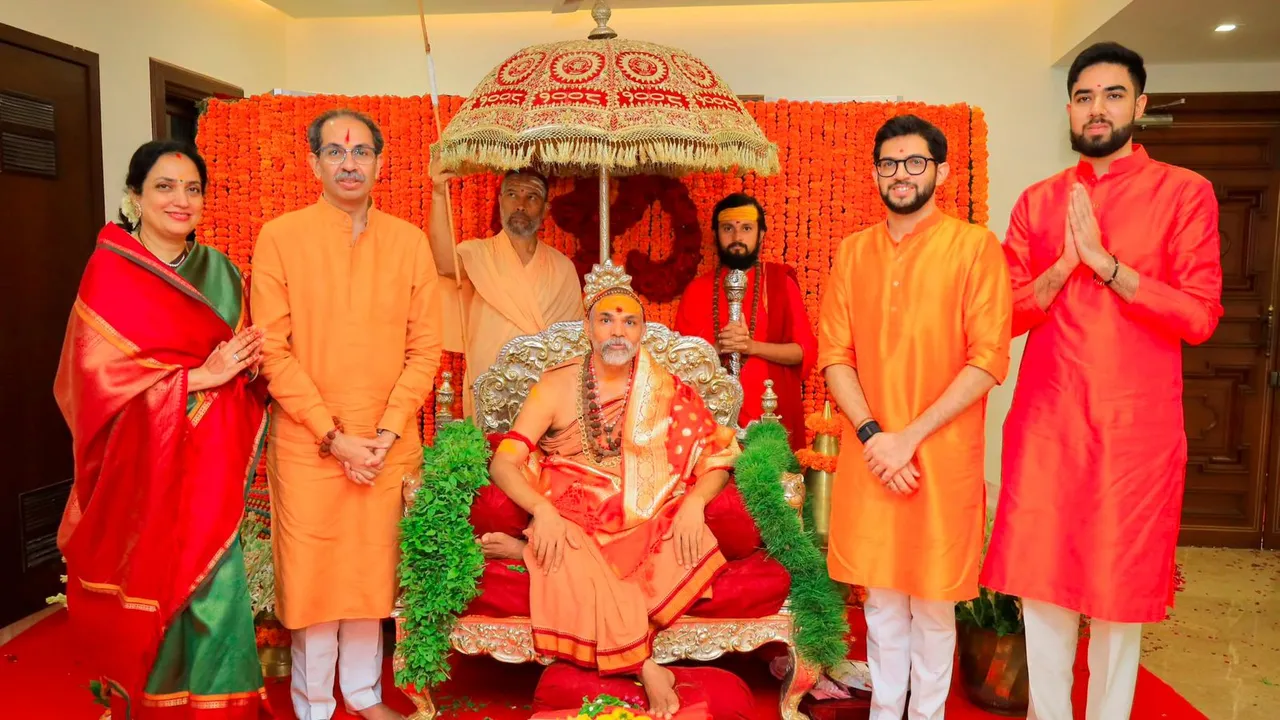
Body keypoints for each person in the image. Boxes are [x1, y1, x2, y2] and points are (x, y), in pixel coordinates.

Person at [983, 42, 1223, 720]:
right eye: (1085, 96)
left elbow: (1201, 315)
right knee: (1043, 584)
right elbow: (1002, 314)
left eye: (1113, 94)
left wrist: (1111, 268)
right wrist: (1061, 270)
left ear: (1140, 106)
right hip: (1048, 420)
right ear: (1069, 108)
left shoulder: (1184, 193)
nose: (1097, 108)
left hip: (1133, 430)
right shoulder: (1040, 201)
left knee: (1118, 596)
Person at [55, 140, 269, 718]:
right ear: (135, 197)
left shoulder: (221, 272)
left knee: (217, 586)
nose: (181, 199)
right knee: (148, 581)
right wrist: (197, 377)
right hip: (136, 462)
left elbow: (242, 372)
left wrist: (250, 367)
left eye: (192, 188)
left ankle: (221, 707)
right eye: (165, 187)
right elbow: (93, 381)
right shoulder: (110, 271)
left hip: (208, 461)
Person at [817, 115, 1012, 720]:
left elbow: (988, 360)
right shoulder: (854, 252)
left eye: (915, 162)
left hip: (939, 458)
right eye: (889, 164)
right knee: (879, 601)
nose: (901, 174)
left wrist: (909, 439)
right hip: (872, 455)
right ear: (876, 172)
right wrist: (877, 437)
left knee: (932, 604)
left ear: (942, 171)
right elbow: (834, 356)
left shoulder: (975, 248)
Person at [251, 109, 444, 720]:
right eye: (335, 151)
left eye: (361, 151)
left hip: (388, 442)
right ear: (314, 164)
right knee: (317, 579)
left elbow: (426, 349)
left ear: (380, 163)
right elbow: (272, 351)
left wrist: (384, 433)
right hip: (311, 442)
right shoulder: (280, 237)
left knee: (369, 574)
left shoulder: (409, 242)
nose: (349, 162)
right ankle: (314, 707)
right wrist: (335, 438)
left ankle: (362, 696)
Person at [487, 262, 740, 718]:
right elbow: (504, 460)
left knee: (687, 538)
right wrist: (541, 513)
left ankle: (528, 552)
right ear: (588, 328)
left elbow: (716, 455)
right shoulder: (555, 385)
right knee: (564, 539)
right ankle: (645, 667)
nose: (617, 331)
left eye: (629, 321)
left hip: (647, 513)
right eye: (606, 319)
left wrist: (696, 505)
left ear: (643, 331)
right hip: (571, 510)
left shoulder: (667, 388)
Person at [429, 158, 584, 418]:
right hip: (488, 388)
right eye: (512, 194)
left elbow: (574, 345)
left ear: (546, 209)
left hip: (544, 398)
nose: (520, 205)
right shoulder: (479, 253)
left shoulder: (562, 267)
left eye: (531, 197)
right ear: (500, 201)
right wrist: (438, 192)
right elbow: (444, 264)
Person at [674, 193, 817, 449]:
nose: (737, 238)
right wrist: (717, 348)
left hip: (770, 420)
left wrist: (750, 346)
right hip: (711, 426)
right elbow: (678, 367)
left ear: (761, 234)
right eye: (728, 228)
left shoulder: (779, 284)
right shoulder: (697, 290)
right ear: (716, 234)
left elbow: (803, 353)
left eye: (746, 228)